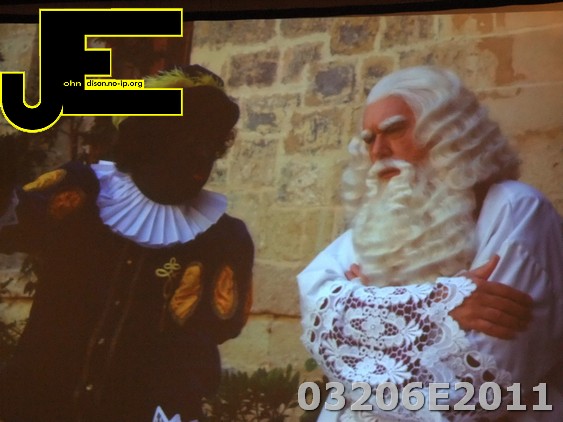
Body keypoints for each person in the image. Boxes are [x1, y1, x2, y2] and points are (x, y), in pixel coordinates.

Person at [298, 66, 563, 421]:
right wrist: (436, 306)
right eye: (369, 139)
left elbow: (476, 387)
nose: (378, 150)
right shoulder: (376, 227)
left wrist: (366, 307)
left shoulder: (514, 209)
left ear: (447, 131)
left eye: (394, 130)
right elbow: (317, 305)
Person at [0, 65, 254, 422]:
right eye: (188, 137)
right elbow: (13, 224)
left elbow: (209, 337)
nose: (201, 156)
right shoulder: (84, 190)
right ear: (150, 136)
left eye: (211, 144)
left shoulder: (222, 239)